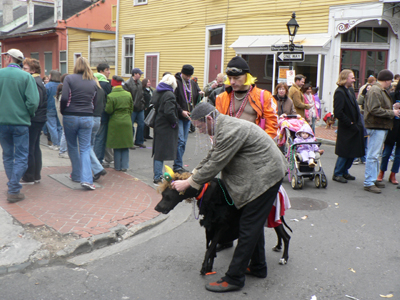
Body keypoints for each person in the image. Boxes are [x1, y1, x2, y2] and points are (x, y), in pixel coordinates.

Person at [172, 102, 287, 293]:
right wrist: (193, 174)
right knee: (252, 224)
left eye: (199, 126)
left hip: (266, 178)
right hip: (261, 174)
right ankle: (258, 267)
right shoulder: (222, 126)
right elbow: (212, 155)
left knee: (248, 227)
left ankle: (234, 278)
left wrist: (189, 183)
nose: (199, 131)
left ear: (209, 119)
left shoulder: (230, 130)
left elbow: (216, 163)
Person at [0, 48, 39, 202]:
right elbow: (33, 102)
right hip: (20, 122)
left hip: (2, 122)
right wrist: (28, 113)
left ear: (9, 58)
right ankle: (14, 187)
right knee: (22, 155)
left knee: (8, 155)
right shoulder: (26, 77)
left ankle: (13, 187)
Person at [215, 56, 278, 139]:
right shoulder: (221, 98)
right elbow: (217, 126)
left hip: (255, 146)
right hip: (230, 145)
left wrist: (262, 146)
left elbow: (272, 126)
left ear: (247, 77)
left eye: (236, 78)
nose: (232, 82)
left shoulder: (265, 96)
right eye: (229, 78)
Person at [60, 57, 98, 190]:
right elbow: (95, 101)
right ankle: (87, 179)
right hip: (87, 117)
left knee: (72, 146)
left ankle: (76, 174)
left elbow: (64, 97)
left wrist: (63, 111)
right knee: (85, 148)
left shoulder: (69, 79)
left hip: (70, 115)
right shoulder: (93, 81)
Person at [363, 69, 400, 193]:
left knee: (375, 155)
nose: (391, 83)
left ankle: (373, 179)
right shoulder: (376, 90)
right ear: (387, 80)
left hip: (379, 126)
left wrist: (392, 107)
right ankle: (369, 182)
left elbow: (378, 107)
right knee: (373, 155)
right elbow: (374, 109)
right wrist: (392, 112)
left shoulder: (378, 90)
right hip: (376, 126)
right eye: (390, 81)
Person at [332, 69, 365, 184]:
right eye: (352, 78)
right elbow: (338, 112)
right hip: (347, 128)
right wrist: (349, 123)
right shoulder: (339, 92)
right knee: (344, 152)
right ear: (345, 78)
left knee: (352, 152)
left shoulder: (349, 90)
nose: (354, 80)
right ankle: (338, 173)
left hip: (354, 127)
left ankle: (345, 171)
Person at [20, 58, 47, 185]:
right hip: (38, 118)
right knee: (35, 147)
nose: (23, 70)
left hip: (34, 118)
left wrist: (30, 114)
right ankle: (36, 175)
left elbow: (36, 102)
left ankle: (29, 176)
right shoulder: (38, 80)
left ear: (33, 70)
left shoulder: (34, 82)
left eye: (25, 68)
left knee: (30, 147)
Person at [151, 74, 179, 184]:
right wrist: (174, 122)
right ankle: (158, 177)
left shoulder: (156, 91)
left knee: (158, 151)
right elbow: (169, 112)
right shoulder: (169, 94)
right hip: (166, 126)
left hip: (158, 124)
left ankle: (157, 175)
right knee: (161, 152)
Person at [173, 64, 202, 173]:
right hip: (179, 116)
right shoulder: (176, 82)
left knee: (184, 141)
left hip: (188, 116)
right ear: (182, 73)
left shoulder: (192, 83)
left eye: (190, 75)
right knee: (180, 141)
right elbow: (173, 100)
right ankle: (177, 166)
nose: (188, 77)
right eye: (186, 75)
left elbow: (196, 95)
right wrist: (181, 111)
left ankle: (178, 164)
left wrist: (201, 94)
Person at [105, 76, 134, 172]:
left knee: (116, 144)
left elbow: (108, 110)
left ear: (113, 84)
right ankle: (125, 166)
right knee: (125, 144)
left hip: (115, 121)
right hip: (126, 120)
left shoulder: (111, 96)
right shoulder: (128, 94)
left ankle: (117, 166)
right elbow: (131, 108)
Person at [376, 78, 400, 186]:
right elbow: (385, 108)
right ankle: (381, 172)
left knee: (398, 155)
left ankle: (393, 174)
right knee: (386, 153)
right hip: (392, 127)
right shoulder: (393, 95)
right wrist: (393, 107)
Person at [93, 63, 113, 167]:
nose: (109, 72)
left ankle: (94, 160)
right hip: (103, 115)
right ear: (101, 71)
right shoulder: (105, 84)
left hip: (91, 113)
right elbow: (110, 100)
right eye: (107, 70)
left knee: (93, 138)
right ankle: (98, 162)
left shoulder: (91, 81)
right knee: (100, 139)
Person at [123, 68, 146, 148]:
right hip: (131, 108)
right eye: (139, 74)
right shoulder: (127, 83)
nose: (140, 75)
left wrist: (143, 103)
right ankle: (130, 142)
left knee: (141, 124)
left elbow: (141, 94)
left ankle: (139, 141)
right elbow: (126, 96)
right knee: (130, 125)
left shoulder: (139, 82)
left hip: (140, 107)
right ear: (135, 74)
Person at [91, 79, 107, 181]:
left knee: (85, 147)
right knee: (90, 145)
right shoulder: (101, 90)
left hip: (89, 117)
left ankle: (97, 168)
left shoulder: (91, 89)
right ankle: (95, 168)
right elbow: (104, 105)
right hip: (98, 118)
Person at [45, 70, 62, 151]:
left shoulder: (47, 86)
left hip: (50, 108)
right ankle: (60, 144)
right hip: (60, 108)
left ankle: (55, 144)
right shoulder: (62, 85)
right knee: (60, 127)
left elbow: (44, 98)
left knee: (52, 127)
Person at [55, 73, 69, 159]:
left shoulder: (61, 90)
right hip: (64, 114)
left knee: (65, 132)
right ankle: (63, 150)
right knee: (65, 132)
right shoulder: (65, 90)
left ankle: (63, 149)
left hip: (62, 114)